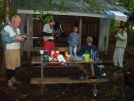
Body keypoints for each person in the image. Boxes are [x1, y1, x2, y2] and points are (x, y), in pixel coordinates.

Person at [0, 15, 27, 90]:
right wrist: (15, 38)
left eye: (19, 23)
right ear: (12, 22)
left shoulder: (17, 30)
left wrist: (22, 38)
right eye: (17, 23)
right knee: (10, 67)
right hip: (10, 51)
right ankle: (9, 83)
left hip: (16, 50)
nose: (18, 25)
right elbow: (4, 39)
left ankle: (13, 79)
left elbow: (17, 39)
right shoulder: (6, 29)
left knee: (15, 66)